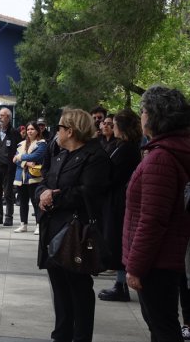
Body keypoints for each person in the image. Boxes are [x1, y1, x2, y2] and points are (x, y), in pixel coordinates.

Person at [36, 108, 111, 342]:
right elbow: (45, 181)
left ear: (70, 130)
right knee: (59, 288)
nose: (55, 132)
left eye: (58, 127)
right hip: (53, 230)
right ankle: (61, 334)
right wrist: (42, 194)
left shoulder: (94, 156)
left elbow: (89, 192)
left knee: (78, 289)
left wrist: (54, 197)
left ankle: (80, 337)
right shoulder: (59, 154)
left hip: (76, 234)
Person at [123, 86, 190, 341]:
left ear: (153, 115)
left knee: (162, 327)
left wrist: (135, 267)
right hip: (165, 257)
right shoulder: (170, 149)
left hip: (156, 261)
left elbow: (152, 219)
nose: (140, 116)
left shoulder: (160, 157)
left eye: (142, 111)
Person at [98, 109, 142, 302]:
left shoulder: (127, 149)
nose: (111, 127)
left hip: (119, 201)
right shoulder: (120, 146)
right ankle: (119, 282)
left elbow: (111, 174)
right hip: (114, 199)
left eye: (114, 124)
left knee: (117, 241)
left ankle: (121, 284)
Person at [12, 121, 46, 234]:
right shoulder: (21, 144)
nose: (29, 131)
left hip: (33, 177)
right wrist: (26, 163)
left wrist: (21, 157)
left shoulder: (41, 143)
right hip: (20, 177)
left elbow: (36, 156)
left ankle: (38, 225)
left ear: (37, 131)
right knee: (23, 202)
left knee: (36, 202)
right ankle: (23, 224)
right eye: (28, 129)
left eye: (32, 129)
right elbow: (14, 160)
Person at [0, 107, 21, 226]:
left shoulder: (14, 133)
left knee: (8, 193)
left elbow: (18, 149)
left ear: (8, 117)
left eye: (2, 115)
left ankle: (9, 216)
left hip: (8, 167)